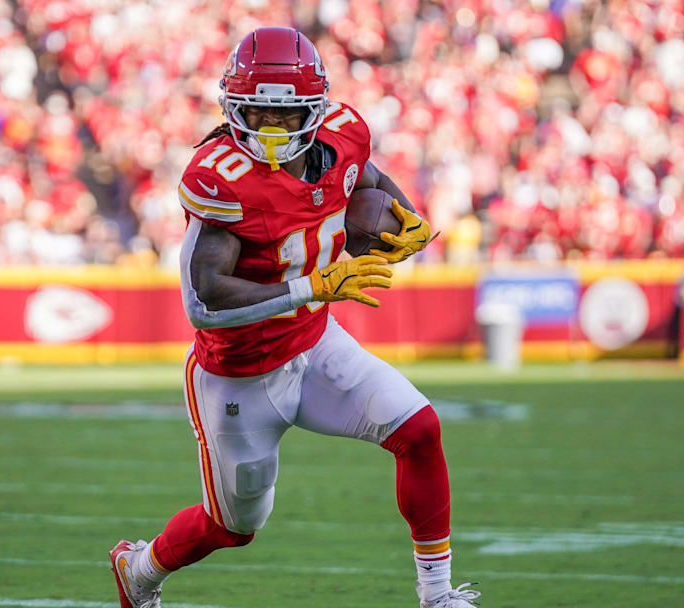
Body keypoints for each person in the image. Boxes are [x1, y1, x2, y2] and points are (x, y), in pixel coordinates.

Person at [108, 27, 480, 608]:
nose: (271, 129)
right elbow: (202, 301)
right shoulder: (221, 177)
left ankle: (438, 596)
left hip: (314, 343)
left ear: (316, 109)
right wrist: (311, 285)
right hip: (239, 375)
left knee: (420, 431)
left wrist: (406, 215)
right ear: (234, 109)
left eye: (285, 115)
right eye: (257, 114)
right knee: (233, 526)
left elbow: (367, 182)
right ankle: (138, 570)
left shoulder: (344, 134)